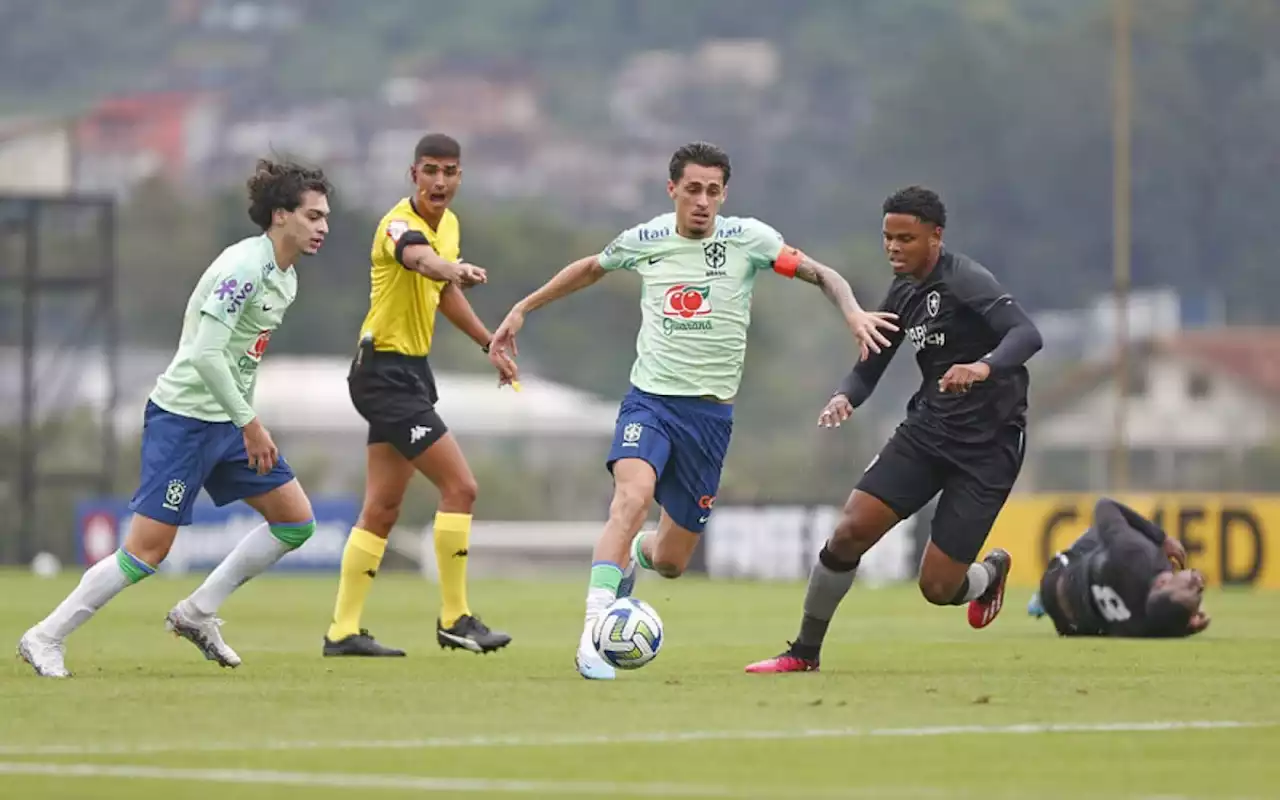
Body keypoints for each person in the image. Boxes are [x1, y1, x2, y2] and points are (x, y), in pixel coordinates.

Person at [487, 141, 898, 680]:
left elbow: (823, 274)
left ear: (724, 194)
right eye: (692, 190)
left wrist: (851, 314)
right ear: (672, 190)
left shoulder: (749, 240)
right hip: (650, 403)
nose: (702, 201)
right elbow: (590, 268)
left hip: (709, 421)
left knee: (671, 562)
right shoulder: (647, 239)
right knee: (630, 498)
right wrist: (522, 308)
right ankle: (593, 635)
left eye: (712, 191)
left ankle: (632, 553)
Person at [18, 159, 334, 678]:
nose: (323, 227)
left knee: (295, 522)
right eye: (313, 215)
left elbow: (240, 359)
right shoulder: (244, 269)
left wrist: (241, 424)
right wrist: (251, 424)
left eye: (325, 217)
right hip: (184, 422)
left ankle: (198, 612)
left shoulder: (286, 278)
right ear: (280, 216)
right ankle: (45, 636)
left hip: (228, 424)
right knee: (147, 552)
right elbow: (207, 355)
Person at [746, 186, 1044, 674]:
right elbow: (871, 364)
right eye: (888, 237)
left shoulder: (966, 280)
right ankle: (803, 653)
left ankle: (987, 574)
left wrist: (982, 368)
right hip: (927, 432)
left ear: (936, 236)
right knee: (848, 533)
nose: (894, 248)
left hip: (988, 448)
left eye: (906, 238)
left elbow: (1026, 334)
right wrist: (846, 395)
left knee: (937, 588)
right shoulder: (902, 292)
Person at [323, 133, 515, 658]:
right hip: (381, 373)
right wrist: (451, 268)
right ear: (413, 175)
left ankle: (342, 630)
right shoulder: (398, 225)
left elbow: (443, 292)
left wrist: (488, 342)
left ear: (459, 177)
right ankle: (455, 618)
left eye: (449, 172)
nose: (439, 181)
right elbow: (422, 262)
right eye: (429, 170)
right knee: (462, 487)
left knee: (382, 506)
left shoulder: (449, 226)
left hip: (409, 373)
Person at [1027, 497, 1209, 638]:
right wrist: (1186, 627)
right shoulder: (1151, 626)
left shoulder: (1137, 556)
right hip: (1069, 625)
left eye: (1191, 586)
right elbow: (1170, 622)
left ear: (1162, 582)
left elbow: (1105, 506)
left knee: (1109, 533)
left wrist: (1161, 537)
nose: (1199, 582)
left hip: (1054, 581)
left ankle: (1041, 599)